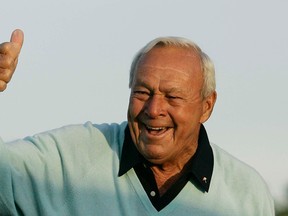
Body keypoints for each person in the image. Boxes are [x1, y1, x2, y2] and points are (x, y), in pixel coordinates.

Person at [0, 29, 274, 216]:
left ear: (206, 106)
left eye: (173, 96)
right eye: (142, 92)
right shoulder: (69, 159)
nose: (154, 109)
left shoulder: (247, 195)